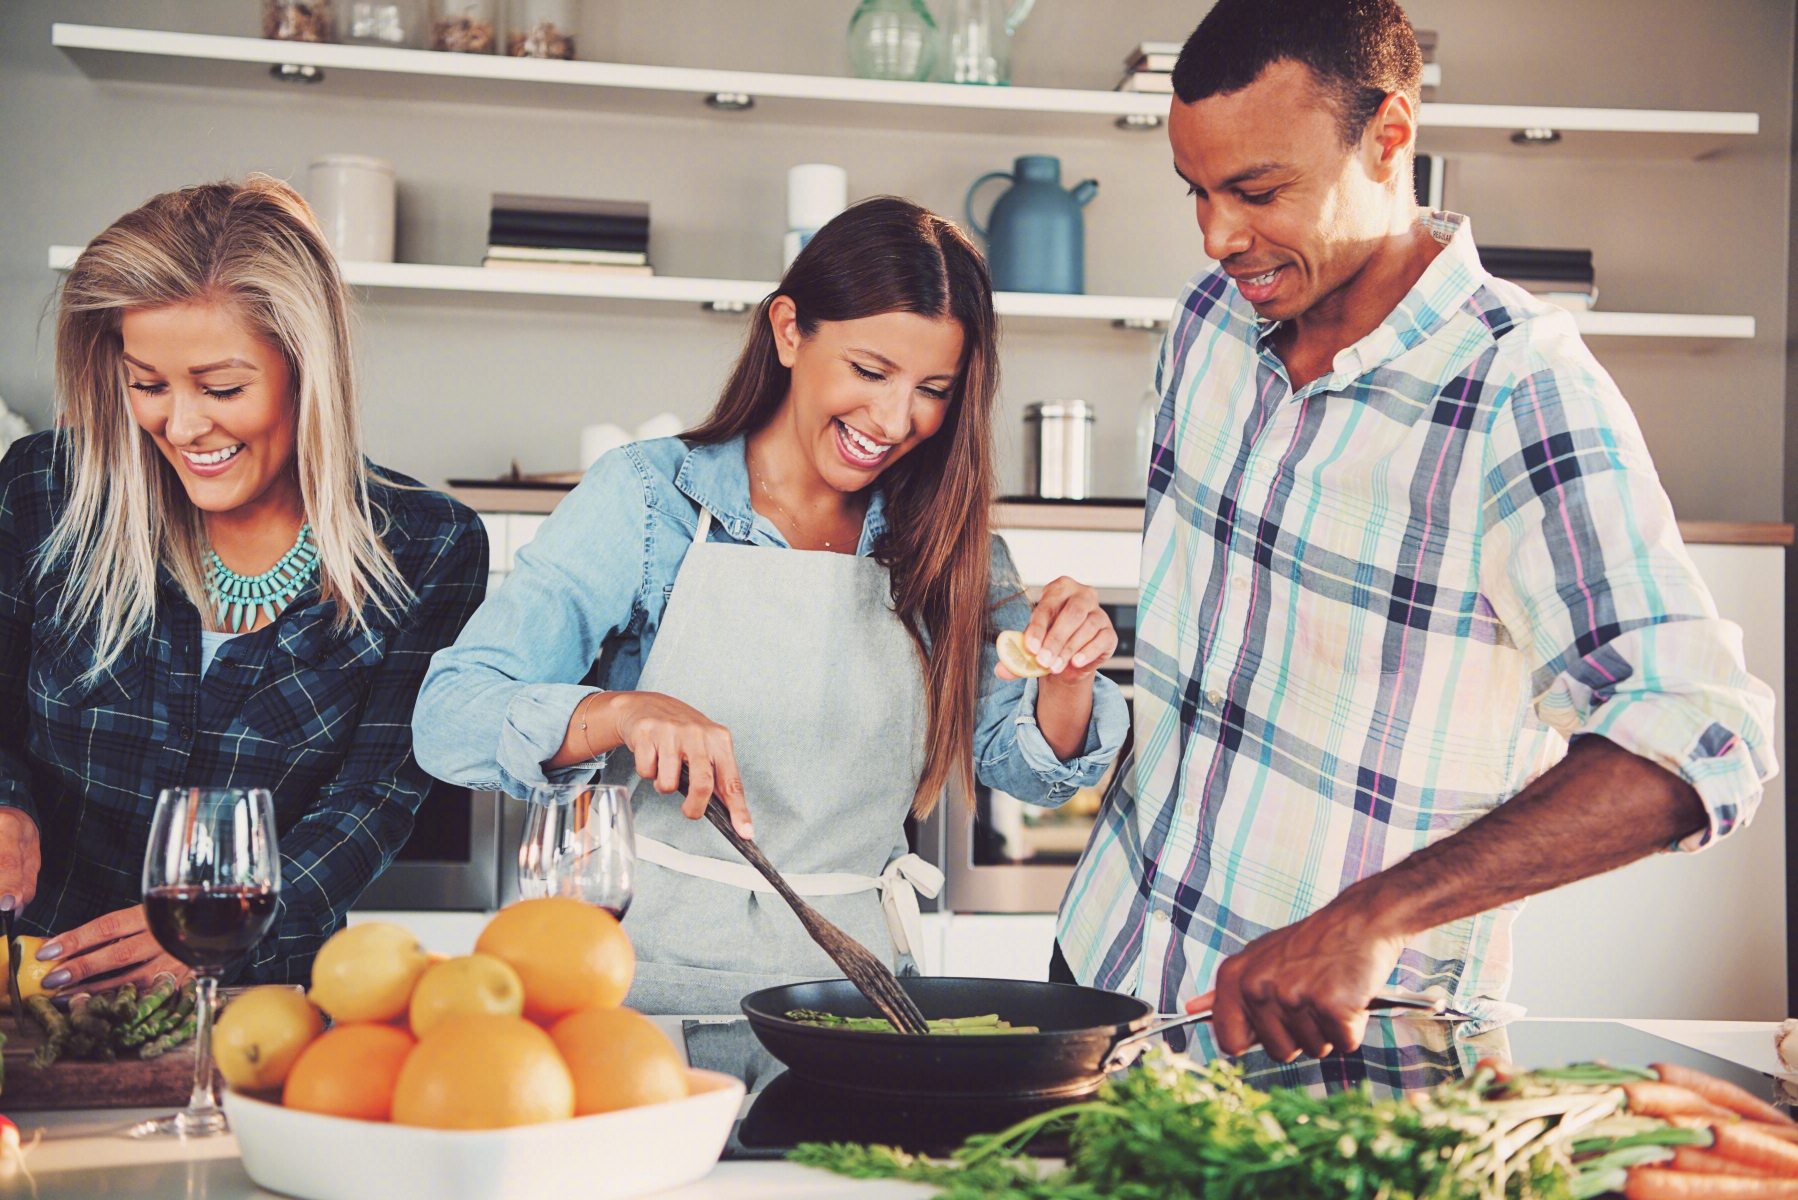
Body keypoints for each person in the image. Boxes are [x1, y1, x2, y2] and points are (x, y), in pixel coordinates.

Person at [1053, 0, 1776, 1091]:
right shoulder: (1207, 323)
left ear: (1391, 136)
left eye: (1257, 191)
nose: (1214, 237)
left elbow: (1699, 735)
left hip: (1340, 1074)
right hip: (1104, 988)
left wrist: (1374, 914)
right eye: (1196, 191)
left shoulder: (1521, 391)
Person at [416, 197, 1129, 1013]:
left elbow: (1026, 774)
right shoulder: (650, 500)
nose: (896, 420)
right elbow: (449, 716)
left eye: (933, 388)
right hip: (637, 988)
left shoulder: (947, 540)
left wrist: (1069, 676)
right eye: (869, 371)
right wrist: (623, 712)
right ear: (789, 330)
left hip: (855, 996)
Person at [0, 177, 488, 992]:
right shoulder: (43, 491)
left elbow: (375, 795)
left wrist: (227, 931)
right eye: (148, 384)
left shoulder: (427, 547)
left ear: (308, 370)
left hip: (255, 1007)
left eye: (221, 388)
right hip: (39, 989)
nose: (183, 427)